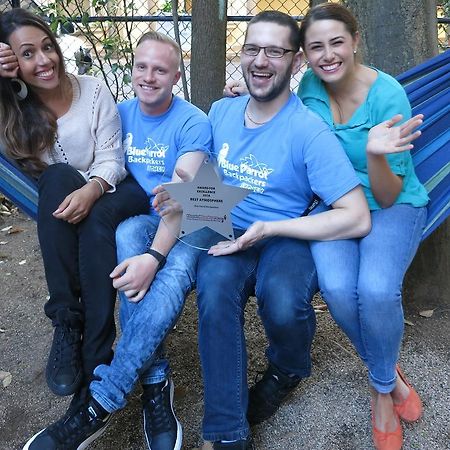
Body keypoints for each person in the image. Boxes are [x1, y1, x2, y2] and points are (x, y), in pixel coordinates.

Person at [225, 4, 428, 450]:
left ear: (356, 41)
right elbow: (279, 105)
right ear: (305, 56)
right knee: (336, 289)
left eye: (337, 42)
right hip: (332, 204)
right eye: (316, 46)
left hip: (390, 203)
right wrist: (246, 90)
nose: (327, 54)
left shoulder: (388, 95)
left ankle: (380, 390)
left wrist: (375, 153)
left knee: (375, 291)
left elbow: (389, 194)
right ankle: (389, 373)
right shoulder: (311, 85)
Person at [22, 31, 213, 450]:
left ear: (176, 77)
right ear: (131, 71)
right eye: (141, 67)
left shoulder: (192, 122)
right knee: (127, 234)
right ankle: (155, 380)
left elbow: (186, 196)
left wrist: (156, 257)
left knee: (173, 270)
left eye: (160, 69)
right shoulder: (119, 113)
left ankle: (104, 398)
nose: (149, 76)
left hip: (194, 218)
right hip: (138, 219)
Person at [195, 10, 376, 450]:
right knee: (214, 288)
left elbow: (357, 215)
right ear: (241, 55)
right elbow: (201, 179)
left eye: (275, 51)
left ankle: (287, 367)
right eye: (253, 48)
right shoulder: (221, 110)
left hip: (287, 231)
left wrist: (270, 227)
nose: (261, 61)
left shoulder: (308, 131)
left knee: (281, 299)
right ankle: (226, 433)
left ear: (295, 63)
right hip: (227, 228)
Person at [0, 2, 149, 424]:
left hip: (113, 190)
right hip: (60, 201)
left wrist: (93, 189)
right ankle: (72, 327)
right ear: (11, 63)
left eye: (46, 46)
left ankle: (89, 349)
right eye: (26, 54)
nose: (43, 59)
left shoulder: (93, 89)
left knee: (87, 206)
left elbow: (112, 159)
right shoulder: (11, 109)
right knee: (58, 177)